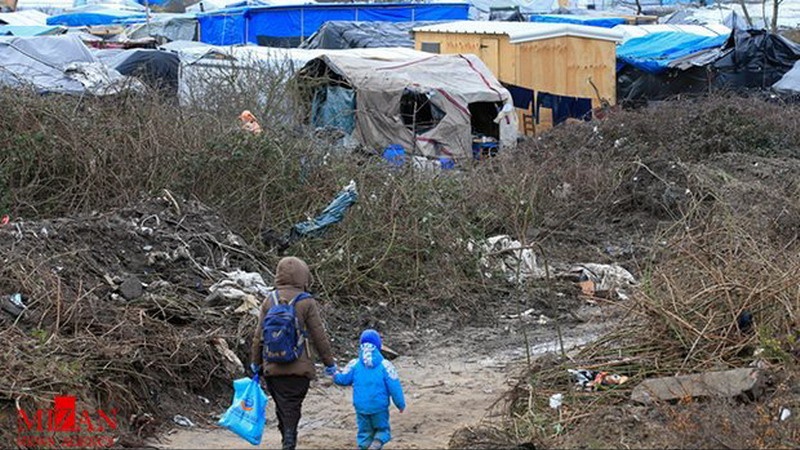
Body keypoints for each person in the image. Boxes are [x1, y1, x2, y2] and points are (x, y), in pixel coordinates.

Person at [250, 256, 337, 450]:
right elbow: (318, 336)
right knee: (292, 406)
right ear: (303, 275)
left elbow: (259, 337)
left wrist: (255, 363)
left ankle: (286, 437)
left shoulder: (269, 300)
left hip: (272, 365)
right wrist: (329, 364)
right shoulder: (306, 302)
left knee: (282, 406)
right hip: (299, 367)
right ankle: (289, 440)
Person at [333, 329, 406, 450]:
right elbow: (395, 387)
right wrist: (400, 404)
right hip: (379, 407)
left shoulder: (355, 364)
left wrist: (334, 373)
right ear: (378, 345)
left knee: (364, 433)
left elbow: (342, 379)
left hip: (361, 407)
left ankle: (363, 446)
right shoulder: (385, 365)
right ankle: (377, 443)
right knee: (382, 430)